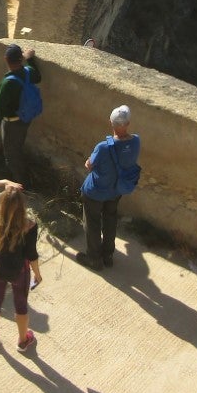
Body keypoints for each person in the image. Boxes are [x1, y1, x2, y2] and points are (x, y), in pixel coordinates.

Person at [77, 105, 141, 272]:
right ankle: (108, 256)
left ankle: (94, 259)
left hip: (95, 192)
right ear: (128, 123)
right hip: (115, 191)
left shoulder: (103, 147)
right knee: (110, 220)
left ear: (110, 123)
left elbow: (89, 165)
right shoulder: (136, 141)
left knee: (92, 223)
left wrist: (88, 162)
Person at [0, 179, 42, 352]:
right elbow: (31, 255)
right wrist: (37, 274)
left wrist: (5, 182)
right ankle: (23, 340)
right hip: (20, 271)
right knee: (21, 305)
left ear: (1, 203)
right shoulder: (29, 226)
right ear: (22, 206)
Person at [0, 43, 42, 185]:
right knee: (17, 147)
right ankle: (19, 175)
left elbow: (0, 107)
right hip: (25, 118)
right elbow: (38, 77)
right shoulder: (28, 73)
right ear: (21, 59)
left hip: (12, 123)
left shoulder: (8, 82)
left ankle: (20, 183)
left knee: (11, 155)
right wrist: (30, 59)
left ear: (6, 59)